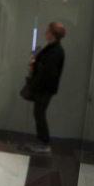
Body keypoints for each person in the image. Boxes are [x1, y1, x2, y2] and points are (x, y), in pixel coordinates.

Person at [27, 22, 66, 153]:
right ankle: (42, 140)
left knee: (39, 114)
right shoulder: (51, 48)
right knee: (38, 114)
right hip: (44, 87)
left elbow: (48, 71)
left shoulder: (56, 50)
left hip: (46, 88)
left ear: (53, 34)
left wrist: (35, 64)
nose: (46, 33)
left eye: (48, 31)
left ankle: (44, 142)